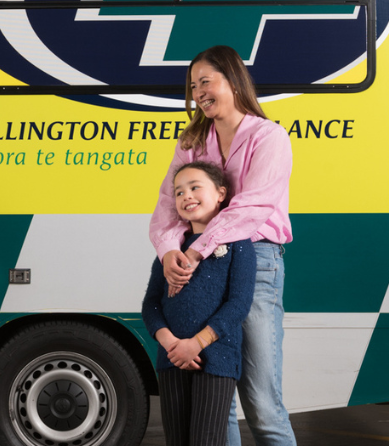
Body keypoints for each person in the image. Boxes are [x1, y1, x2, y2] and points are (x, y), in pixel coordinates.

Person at [149, 46, 297, 446]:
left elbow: (253, 207)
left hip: (256, 258)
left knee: (263, 403)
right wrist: (168, 253)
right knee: (217, 399)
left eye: (205, 81)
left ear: (232, 80)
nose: (198, 92)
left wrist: (196, 250)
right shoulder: (193, 140)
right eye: (193, 85)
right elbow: (168, 202)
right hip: (197, 263)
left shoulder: (269, 137)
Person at [142, 161, 255, 446]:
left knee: (207, 439)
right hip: (172, 359)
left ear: (220, 193)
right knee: (176, 440)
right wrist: (170, 344)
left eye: (194, 187)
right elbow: (151, 304)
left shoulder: (239, 244)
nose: (186, 196)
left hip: (216, 358)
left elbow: (238, 305)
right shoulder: (171, 249)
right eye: (178, 192)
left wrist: (197, 343)